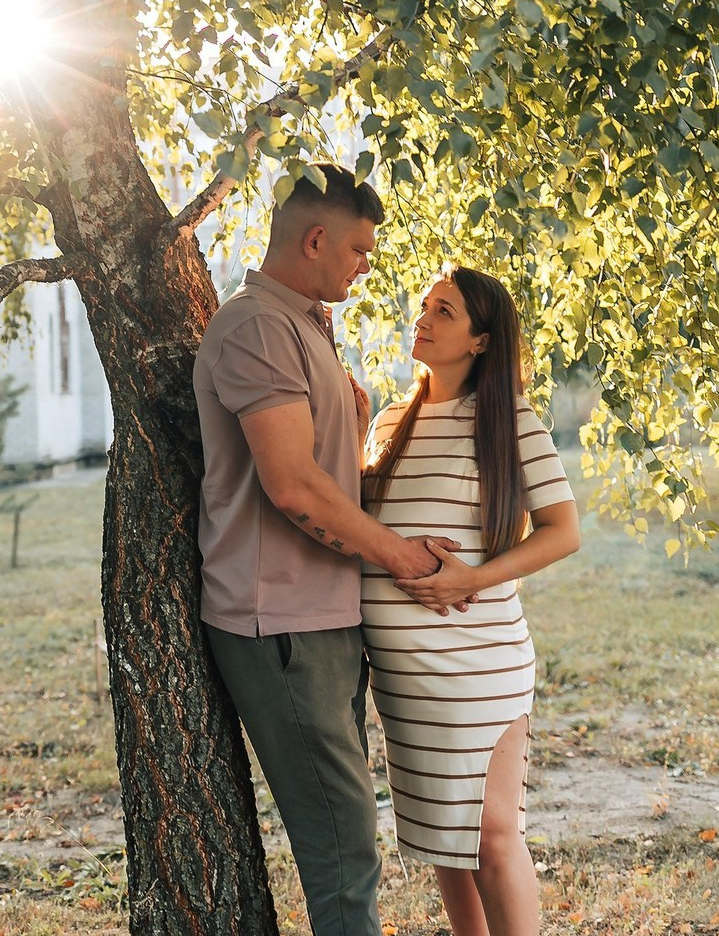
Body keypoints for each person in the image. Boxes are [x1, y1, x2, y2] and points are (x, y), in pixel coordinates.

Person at [194, 164, 458, 936]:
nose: (366, 262)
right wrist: (402, 558)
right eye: (358, 248)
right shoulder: (256, 325)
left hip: (324, 615)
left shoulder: (303, 323)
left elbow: (324, 476)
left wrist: (359, 417)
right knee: (344, 849)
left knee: (350, 838)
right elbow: (294, 489)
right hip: (278, 621)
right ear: (314, 240)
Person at [361, 264, 581, 936]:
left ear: (481, 341)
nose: (422, 319)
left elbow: (563, 533)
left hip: (478, 663)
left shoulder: (508, 417)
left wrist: (470, 580)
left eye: (445, 312)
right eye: (424, 305)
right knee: (443, 842)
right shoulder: (392, 420)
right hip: (404, 677)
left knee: (489, 834)